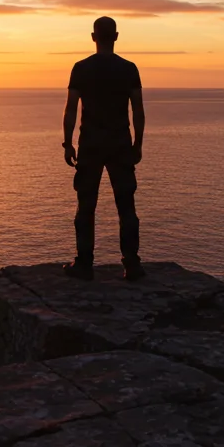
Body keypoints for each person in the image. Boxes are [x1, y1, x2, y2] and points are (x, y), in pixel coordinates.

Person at [62, 16, 145, 281]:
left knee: (86, 206)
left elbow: (71, 108)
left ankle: (84, 264)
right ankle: (131, 264)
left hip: (90, 144)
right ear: (116, 36)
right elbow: (138, 110)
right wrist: (138, 144)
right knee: (126, 207)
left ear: (93, 36)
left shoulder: (80, 68)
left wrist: (68, 143)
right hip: (120, 144)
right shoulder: (129, 68)